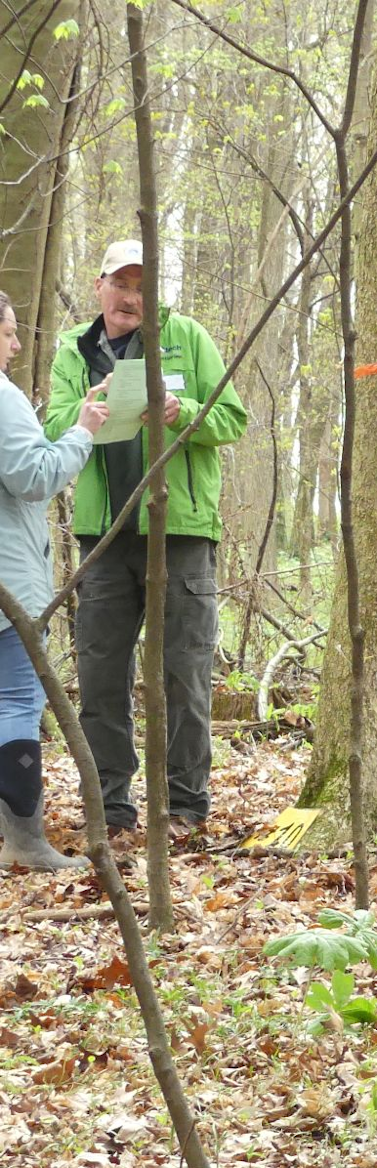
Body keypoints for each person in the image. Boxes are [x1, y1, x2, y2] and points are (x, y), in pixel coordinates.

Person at [45, 240, 247, 839]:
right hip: (103, 537)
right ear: (100, 286)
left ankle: (186, 807)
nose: (132, 295)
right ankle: (111, 807)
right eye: (122, 282)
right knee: (102, 672)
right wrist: (84, 415)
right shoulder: (74, 351)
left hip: (178, 532)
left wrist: (182, 412)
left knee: (184, 674)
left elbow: (231, 419)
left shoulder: (187, 337)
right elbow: (52, 426)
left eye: (144, 284)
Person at [1, 291, 109, 869]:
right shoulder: (1, 394)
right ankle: (24, 844)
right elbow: (33, 476)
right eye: (10, 333)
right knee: (17, 701)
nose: (17, 346)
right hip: (9, 586)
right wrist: (84, 431)